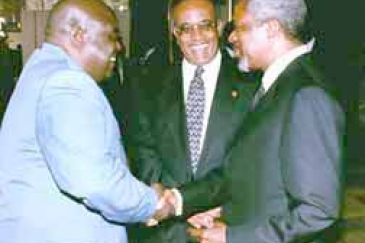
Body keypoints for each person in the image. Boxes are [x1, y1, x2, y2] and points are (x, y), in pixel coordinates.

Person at [163, 0, 346, 242]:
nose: (231, 38)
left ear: (271, 28)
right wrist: (223, 211)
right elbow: (263, 178)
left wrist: (235, 236)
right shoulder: (276, 85)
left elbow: (318, 211)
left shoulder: (306, 95)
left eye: (240, 27)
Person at [0, 1, 172, 243]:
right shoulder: (66, 82)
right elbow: (95, 181)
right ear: (79, 35)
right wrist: (151, 203)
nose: (119, 48)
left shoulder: (40, 70)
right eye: (113, 36)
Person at [127, 0, 257, 243]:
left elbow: (251, 161)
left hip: (227, 225)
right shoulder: (149, 83)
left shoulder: (251, 83)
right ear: (174, 33)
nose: (196, 36)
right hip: (168, 229)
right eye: (185, 28)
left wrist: (204, 205)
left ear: (218, 27)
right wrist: (173, 203)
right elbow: (144, 151)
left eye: (204, 25)